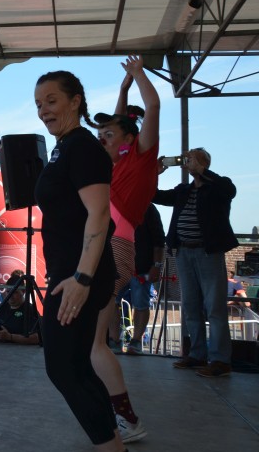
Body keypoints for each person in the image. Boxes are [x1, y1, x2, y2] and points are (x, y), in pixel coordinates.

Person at [34, 69, 122, 451]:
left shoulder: (82, 147)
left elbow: (99, 214)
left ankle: (111, 445)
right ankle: (114, 442)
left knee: (64, 369)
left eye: (51, 101)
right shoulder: (65, 147)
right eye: (39, 104)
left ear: (75, 101)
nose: (43, 110)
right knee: (77, 368)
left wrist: (83, 278)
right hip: (70, 274)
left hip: (78, 278)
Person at [89, 55, 160, 443]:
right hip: (106, 245)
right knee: (93, 343)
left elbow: (153, 107)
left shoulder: (142, 158)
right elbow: (115, 125)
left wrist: (138, 74)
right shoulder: (113, 162)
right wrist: (122, 89)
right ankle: (115, 414)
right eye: (100, 135)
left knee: (94, 344)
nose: (102, 138)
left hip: (116, 248)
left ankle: (127, 420)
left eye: (109, 134)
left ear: (129, 138)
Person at [155, 147, 238, 377]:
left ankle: (220, 360)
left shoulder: (217, 187)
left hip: (208, 253)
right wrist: (154, 174)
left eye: (191, 157)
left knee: (214, 307)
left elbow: (230, 191)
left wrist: (202, 172)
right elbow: (155, 196)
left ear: (203, 162)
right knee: (190, 305)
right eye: (186, 158)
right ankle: (197, 354)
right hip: (184, 251)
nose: (187, 160)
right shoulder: (183, 190)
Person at [124, 204, 165, 354]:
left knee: (141, 304)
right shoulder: (116, 205)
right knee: (112, 301)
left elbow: (159, 241)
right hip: (120, 266)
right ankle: (113, 339)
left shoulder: (148, 208)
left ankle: (136, 341)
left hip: (141, 268)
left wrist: (156, 265)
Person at [0, 273, 40, 345]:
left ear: (23, 292)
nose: (10, 296)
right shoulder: (1, 307)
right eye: (8, 292)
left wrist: (10, 337)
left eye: (14, 292)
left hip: (21, 350)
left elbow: (37, 337)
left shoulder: (30, 311)